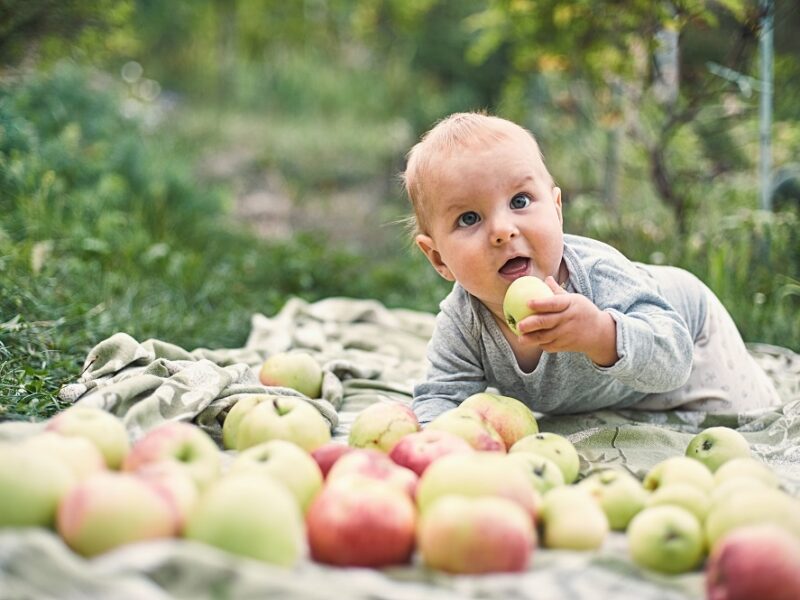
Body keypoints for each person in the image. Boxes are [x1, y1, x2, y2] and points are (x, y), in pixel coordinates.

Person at [402, 112, 781, 424]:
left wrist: (601, 334)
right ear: (438, 259)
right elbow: (441, 396)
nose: (502, 230)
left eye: (520, 200)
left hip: (689, 334)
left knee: (749, 424)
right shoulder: (464, 321)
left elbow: (673, 359)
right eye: (469, 218)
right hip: (616, 388)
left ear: (557, 209)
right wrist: (436, 446)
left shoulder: (597, 275)